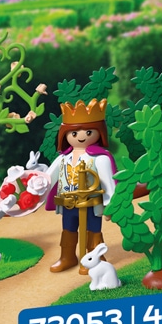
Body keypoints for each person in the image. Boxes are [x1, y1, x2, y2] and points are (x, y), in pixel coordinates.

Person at [44, 99, 116, 274]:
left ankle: (95, 259)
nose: (81, 136)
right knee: (68, 229)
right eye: (74, 133)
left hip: (91, 203)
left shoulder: (100, 158)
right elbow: (48, 178)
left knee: (93, 231)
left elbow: (108, 183)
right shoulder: (63, 158)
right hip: (68, 203)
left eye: (88, 132)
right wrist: (35, 189)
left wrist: (110, 206)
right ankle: (67, 256)